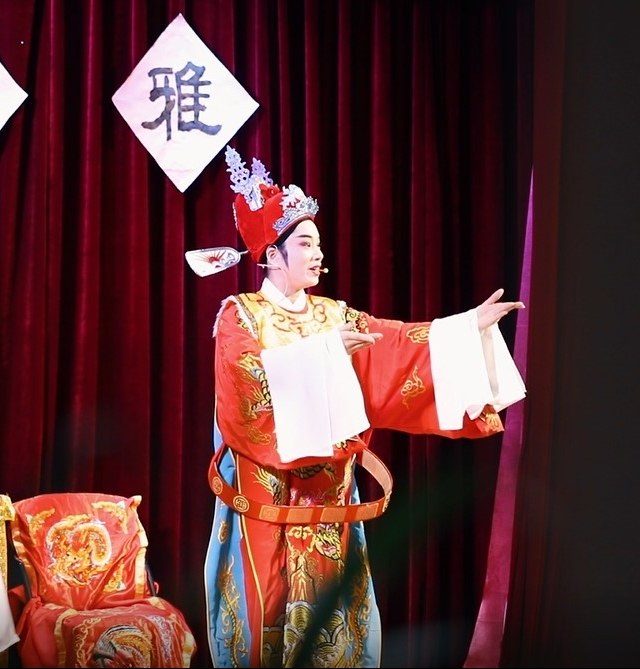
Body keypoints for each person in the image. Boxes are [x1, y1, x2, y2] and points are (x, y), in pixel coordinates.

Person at [193, 147, 526, 668]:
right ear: (273, 255)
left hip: (330, 500)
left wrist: (465, 328)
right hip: (269, 500)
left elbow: (396, 343)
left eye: (318, 243)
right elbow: (247, 393)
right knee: (266, 617)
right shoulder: (241, 316)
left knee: (335, 626)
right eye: (305, 243)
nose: (318, 253)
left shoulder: (334, 314)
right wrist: (325, 355)